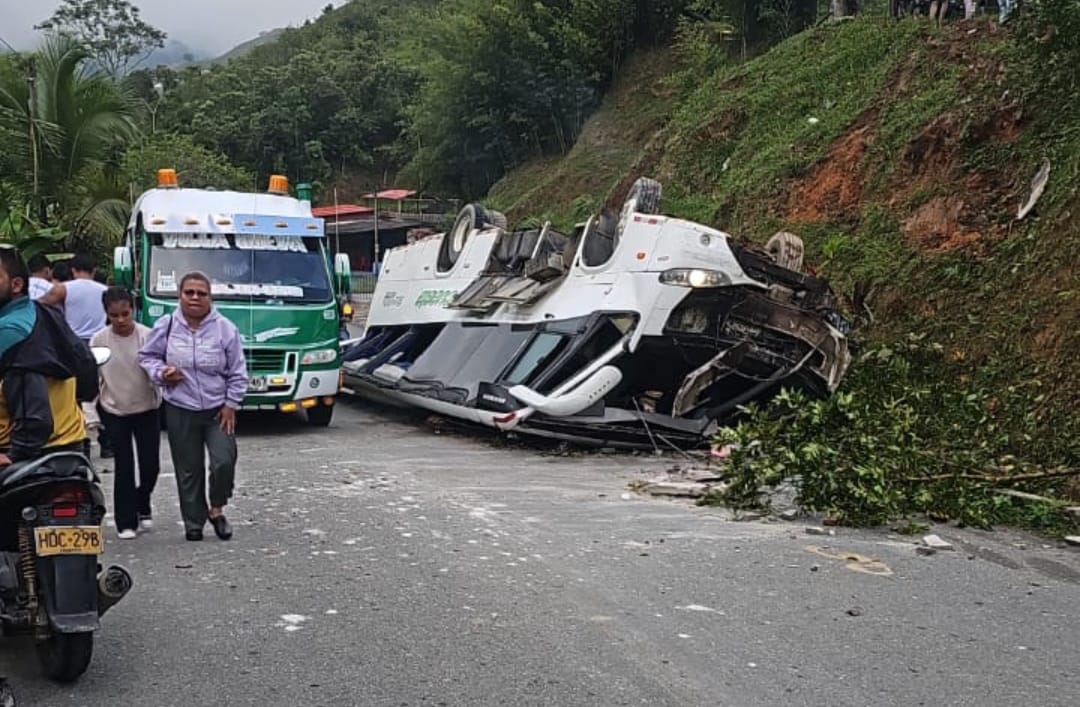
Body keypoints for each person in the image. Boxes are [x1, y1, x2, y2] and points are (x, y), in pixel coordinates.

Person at [138, 272, 246, 542]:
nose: (195, 297)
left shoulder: (225, 329)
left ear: (210, 297)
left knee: (223, 461)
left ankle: (216, 509)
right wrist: (162, 372)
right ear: (180, 295)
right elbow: (146, 356)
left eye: (201, 293)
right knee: (188, 468)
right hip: (180, 406)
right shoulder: (167, 325)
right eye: (189, 292)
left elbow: (238, 371)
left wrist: (231, 404)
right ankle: (193, 521)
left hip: (217, 409)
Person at [0, 247, 96, 467]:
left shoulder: (11, 330)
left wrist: (18, 452)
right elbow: (86, 367)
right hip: (70, 445)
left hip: (22, 456)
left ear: (16, 285)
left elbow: (29, 398)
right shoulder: (46, 313)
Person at [91, 288, 162, 539]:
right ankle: (125, 521)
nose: (120, 320)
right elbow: (93, 379)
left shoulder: (148, 336)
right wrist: (92, 415)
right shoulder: (98, 340)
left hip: (146, 408)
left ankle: (142, 502)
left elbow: (158, 368)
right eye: (114, 315)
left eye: (125, 313)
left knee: (151, 465)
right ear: (106, 314)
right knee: (124, 465)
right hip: (114, 409)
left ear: (133, 309)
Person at [63, 252, 111, 459]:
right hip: (100, 343)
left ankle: (82, 442)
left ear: (73, 270)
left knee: (75, 397)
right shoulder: (105, 291)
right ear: (93, 271)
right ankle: (107, 443)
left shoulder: (64, 289)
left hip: (73, 346)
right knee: (103, 394)